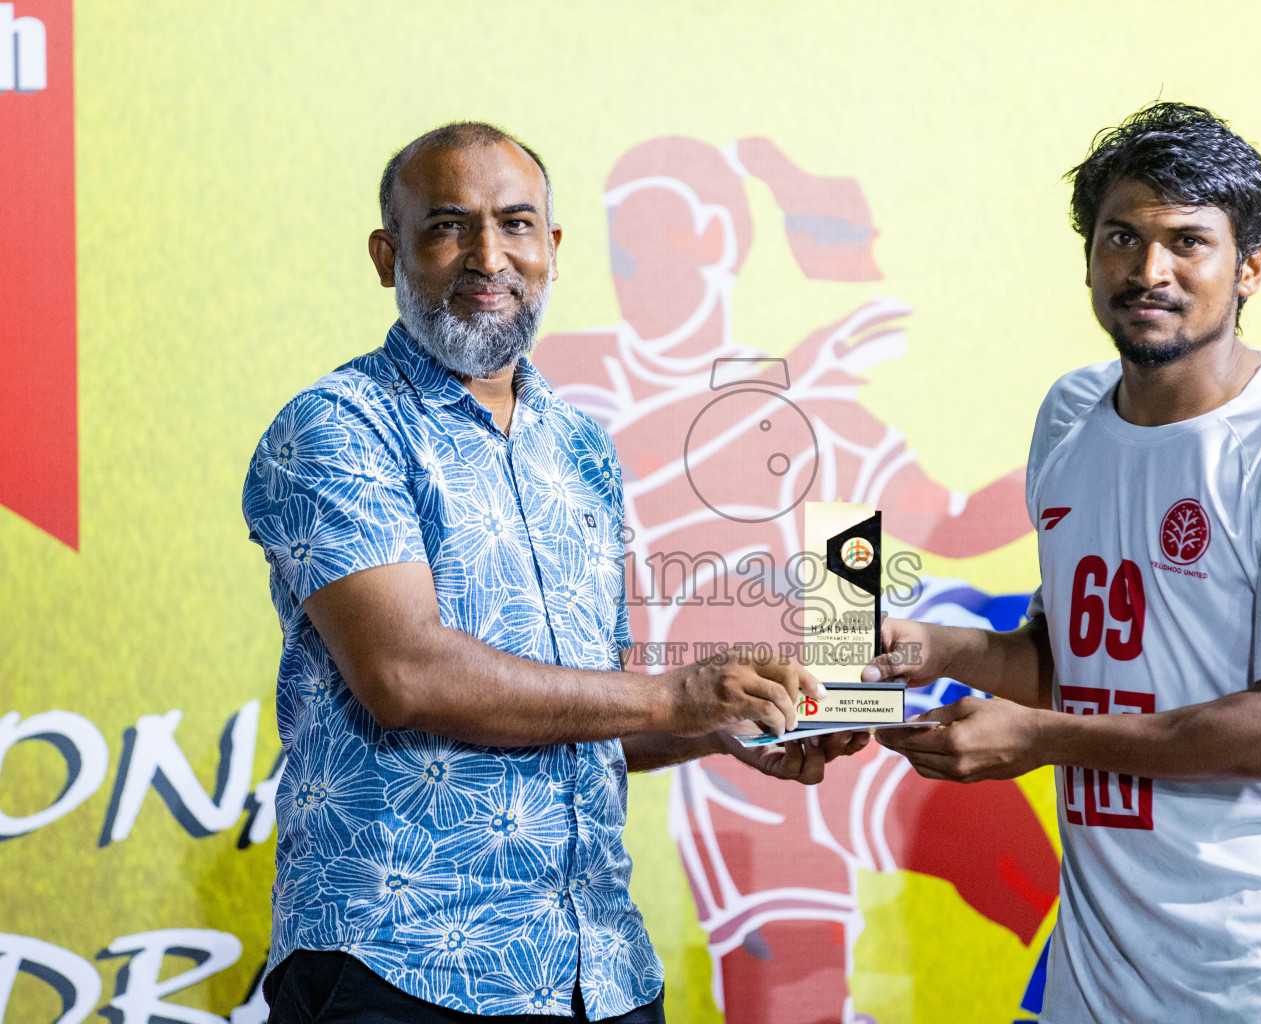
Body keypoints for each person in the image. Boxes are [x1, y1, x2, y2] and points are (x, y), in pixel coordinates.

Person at [241, 122, 856, 1024]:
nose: (489, 256)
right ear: (387, 255)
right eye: (448, 226)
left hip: (596, 967)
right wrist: (676, 697)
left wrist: (731, 726)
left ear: (553, 251)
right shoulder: (338, 426)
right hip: (399, 964)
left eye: (517, 225)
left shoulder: (579, 447)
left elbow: (597, 709)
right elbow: (406, 674)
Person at [870, 102, 1261, 1022]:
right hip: (1100, 964)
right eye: (1123, 238)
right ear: (1090, 258)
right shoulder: (1070, 417)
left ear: (1251, 268)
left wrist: (1039, 743)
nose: (1150, 271)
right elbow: (1077, 657)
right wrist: (930, 647)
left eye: (1188, 241)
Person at [535, 135, 1056, 1024]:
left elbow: (910, 538)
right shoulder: (570, 389)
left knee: (1045, 892)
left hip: (846, 738)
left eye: (664, 236)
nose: (638, 267)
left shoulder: (809, 404)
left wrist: (1089, 460)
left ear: (721, 243)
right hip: (730, 767)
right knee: (792, 1006)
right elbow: (648, 460)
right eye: (622, 243)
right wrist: (791, 393)